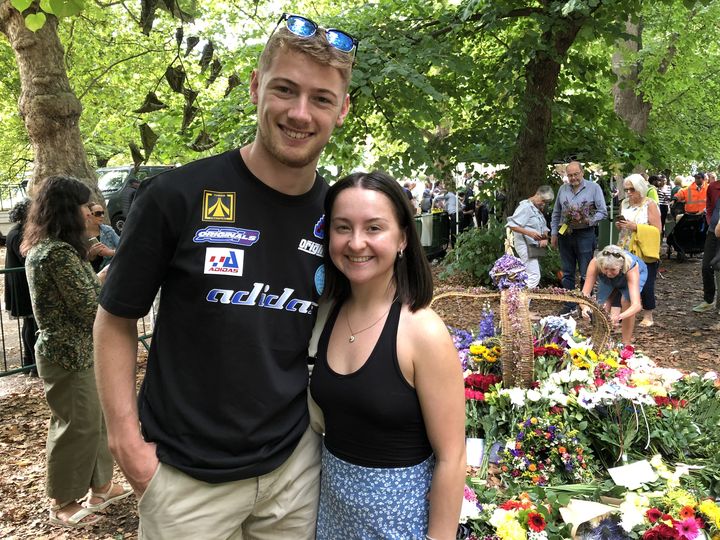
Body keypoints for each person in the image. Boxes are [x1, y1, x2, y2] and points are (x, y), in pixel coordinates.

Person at [93, 13, 356, 539]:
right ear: (257, 87)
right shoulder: (177, 196)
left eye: (322, 98)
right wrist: (126, 443)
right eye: (285, 89)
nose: (301, 113)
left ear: (342, 110)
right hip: (185, 479)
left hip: (293, 475)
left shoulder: (340, 217)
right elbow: (115, 320)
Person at [310, 171, 465, 539]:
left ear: (403, 239)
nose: (356, 242)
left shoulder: (422, 331)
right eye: (342, 227)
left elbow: (452, 458)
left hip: (399, 526)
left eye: (374, 228)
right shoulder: (326, 314)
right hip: (332, 519)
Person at [22, 176, 131, 529]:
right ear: (71, 209)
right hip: (67, 353)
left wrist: (110, 269)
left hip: (82, 350)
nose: (94, 213)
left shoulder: (65, 250)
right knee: (75, 426)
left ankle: (102, 487)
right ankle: (63, 501)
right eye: (89, 207)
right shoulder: (56, 253)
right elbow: (89, 307)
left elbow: (86, 291)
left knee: (95, 421)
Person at [550, 162, 608, 304]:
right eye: (570, 175)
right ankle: (569, 304)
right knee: (567, 272)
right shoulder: (562, 189)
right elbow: (556, 213)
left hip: (585, 234)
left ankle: (586, 304)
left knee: (586, 272)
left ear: (582, 172)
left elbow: (603, 212)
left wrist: (588, 220)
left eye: (576, 174)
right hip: (565, 234)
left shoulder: (594, 188)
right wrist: (554, 233)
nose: (573, 178)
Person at [616, 174, 661, 327]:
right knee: (623, 281)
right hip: (625, 246)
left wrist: (636, 227)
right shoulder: (624, 203)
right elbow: (623, 224)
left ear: (640, 188)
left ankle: (648, 315)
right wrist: (621, 225)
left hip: (643, 249)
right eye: (626, 189)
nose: (629, 193)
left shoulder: (650, 204)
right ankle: (625, 312)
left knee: (646, 283)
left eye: (632, 189)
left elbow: (657, 230)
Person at [580, 245, 648, 347]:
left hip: (633, 274)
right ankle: (601, 341)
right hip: (608, 280)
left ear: (620, 266)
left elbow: (637, 305)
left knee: (626, 301)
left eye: (612, 269)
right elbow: (584, 294)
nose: (608, 273)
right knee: (601, 305)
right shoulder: (595, 263)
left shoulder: (631, 266)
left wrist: (619, 317)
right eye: (605, 269)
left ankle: (626, 343)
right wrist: (585, 308)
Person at [4, 199, 38, 374]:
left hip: (21, 283)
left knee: (30, 323)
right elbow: (25, 256)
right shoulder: (18, 233)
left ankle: (29, 362)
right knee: (31, 324)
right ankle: (32, 363)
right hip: (22, 286)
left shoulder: (18, 231)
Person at [506, 185, 554, 289]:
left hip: (533, 247)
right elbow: (512, 224)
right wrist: (529, 233)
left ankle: (522, 302)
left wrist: (544, 237)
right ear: (537, 194)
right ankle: (519, 299)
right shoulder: (525, 207)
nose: (543, 204)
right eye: (543, 200)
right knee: (534, 276)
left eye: (546, 202)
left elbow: (543, 226)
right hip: (524, 246)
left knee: (528, 274)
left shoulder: (536, 208)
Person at [693, 171, 720, 312]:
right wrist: (710, 220)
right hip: (713, 230)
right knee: (706, 266)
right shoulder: (713, 187)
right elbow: (709, 205)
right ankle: (708, 300)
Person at [85, 202, 119, 272]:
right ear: (88, 215)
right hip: (92, 274)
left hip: (110, 269)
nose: (102, 216)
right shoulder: (80, 235)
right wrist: (91, 254)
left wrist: (110, 252)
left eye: (103, 213)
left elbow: (124, 248)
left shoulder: (108, 230)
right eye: (98, 214)